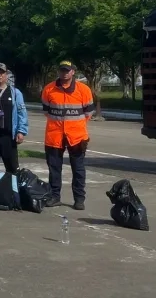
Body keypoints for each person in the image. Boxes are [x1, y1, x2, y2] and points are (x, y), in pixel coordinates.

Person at [42, 60, 94, 210]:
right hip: (54, 135)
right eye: (62, 70)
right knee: (54, 169)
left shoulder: (83, 90)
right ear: (58, 72)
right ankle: (54, 196)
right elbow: (46, 111)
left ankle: (79, 199)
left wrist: (73, 125)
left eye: (67, 70)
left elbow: (88, 113)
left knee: (78, 169)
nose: (64, 73)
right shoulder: (49, 89)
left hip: (77, 137)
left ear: (73, 72)